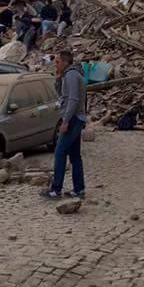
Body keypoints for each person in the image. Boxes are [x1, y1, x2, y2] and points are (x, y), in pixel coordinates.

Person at [41, 50, 87, 200]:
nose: (56, 64)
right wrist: (58, 79)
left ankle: (56, 189)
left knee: (60, 152)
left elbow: (73, 100)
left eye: (58, 62)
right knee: (74, 155)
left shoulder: (72, 75)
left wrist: (66, 121)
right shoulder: (68, 75)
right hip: (76, 118)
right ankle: (79, 189)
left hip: (73, 119)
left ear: (66, 62)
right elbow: (62, 94)